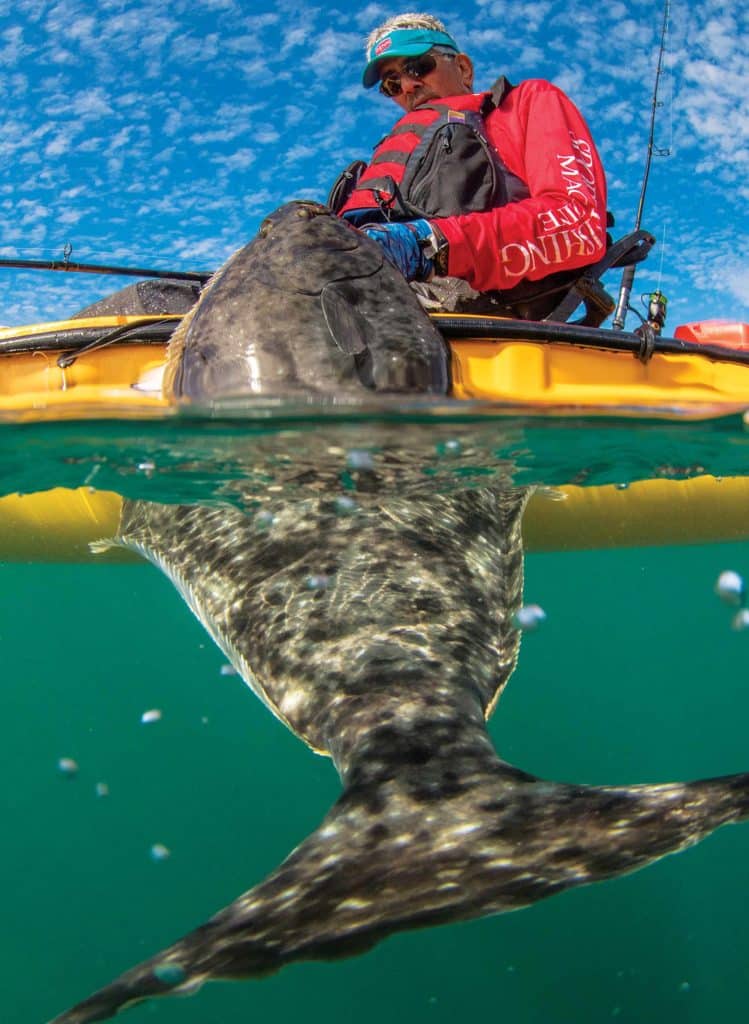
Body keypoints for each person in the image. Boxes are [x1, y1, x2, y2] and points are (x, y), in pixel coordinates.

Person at [332, 12, 609, 319]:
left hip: (474, 318)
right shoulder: (397, 154)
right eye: (392, 84)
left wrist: (429, 244)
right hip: (361, 301)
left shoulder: (527, 104)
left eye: (418, 67)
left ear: (463, 68)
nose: (408, 86)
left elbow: (578, 224)